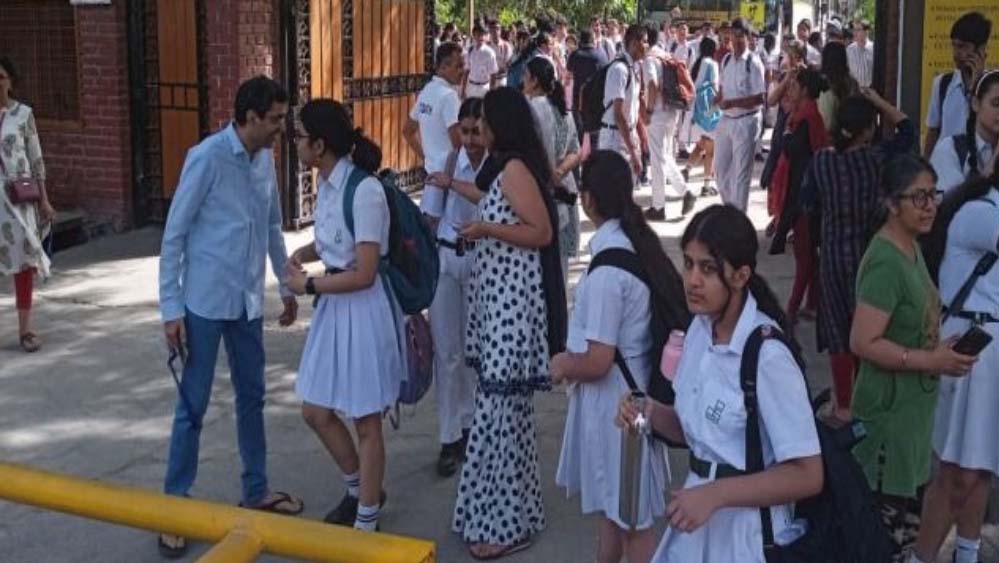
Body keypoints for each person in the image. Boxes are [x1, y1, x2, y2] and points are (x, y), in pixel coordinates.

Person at [618, 203, 823, 563]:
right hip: (694, 527)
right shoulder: (699, 331)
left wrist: (716, 494)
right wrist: (648, 411)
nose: (692, 280)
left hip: (747, 538)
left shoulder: (767, 356)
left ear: (741, 276)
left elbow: (807, 475)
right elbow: (699, 433)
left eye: (708, 269)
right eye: (688, 264)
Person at [157, 76, 302, 559]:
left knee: (253, 397)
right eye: (275, 119)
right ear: (251, 117)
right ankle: (173, 508)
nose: (281, 127)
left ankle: (256, 490)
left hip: (246, 303)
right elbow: (174, 235)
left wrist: (284, 284)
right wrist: (171, 309)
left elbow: (272, 227)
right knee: (193, 406)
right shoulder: (207, 158)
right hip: (203, 303)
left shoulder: (265, 161)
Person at [552, 150, 687, 563]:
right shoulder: (630, 245)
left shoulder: (607, 273)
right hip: (628, 405)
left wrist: (563, 365)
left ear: (589, 199)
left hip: (620, 415)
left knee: (631, 523)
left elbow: (597, 360)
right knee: (615, 514)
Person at [452, 86, 567, 560]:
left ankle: (505, 525)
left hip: (512, 309)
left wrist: (485, 229)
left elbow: (541, 232)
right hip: (499, 306)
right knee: (504, 416)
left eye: (483, 122)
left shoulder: (516, 168)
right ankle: (504, 515)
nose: (478, 130)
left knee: (501, 416)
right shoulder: (506, 167)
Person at [849, 154, 978, 560]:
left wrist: (939, 349)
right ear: (892, 203)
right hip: (887, 425)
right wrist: (929, 361)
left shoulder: (911, 248)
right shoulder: (885, 261)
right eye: (918, 197)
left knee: (902, 539)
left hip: (911, 422)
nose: (929, 206)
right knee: (883, 542)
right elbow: (863, 342)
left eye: (933, 195)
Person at [282, 99, 399, 532]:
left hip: (362, 312)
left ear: (319, 144)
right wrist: (303, 253)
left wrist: (309, 286)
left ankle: (366, 518)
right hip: (334, 309)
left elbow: (364, 273)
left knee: (366, 420)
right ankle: (360, 490)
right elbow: (333, 241)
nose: (294, 144)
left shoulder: (364, 191)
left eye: (299, 136)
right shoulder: (328, 184)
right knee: (315, 410)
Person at [911, 145, 999, 563]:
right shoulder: (983, 213)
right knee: (956, 472)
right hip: (972, 352)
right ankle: (923, 557)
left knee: (980, 468)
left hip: (985, 352)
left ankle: (967, 552)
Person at [808, 90, 918, 425]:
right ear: (868, 130)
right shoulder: (876, 159)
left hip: (832, 256)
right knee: (868, 330)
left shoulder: (821, 162)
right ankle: (869, 402)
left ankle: (844, 406)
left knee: (838, 330)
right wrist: (879, 101)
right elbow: (908, 130)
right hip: (868, 255)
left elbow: (808, 204)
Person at [419, 98, 489, 478]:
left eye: (478, 131)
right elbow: (429, 219)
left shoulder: (497, 168)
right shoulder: (446, 163)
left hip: (482, 262)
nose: (472, 140)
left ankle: (475, 426)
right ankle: (450, 436)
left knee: (476, 350)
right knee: (447, 352)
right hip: (447, 260)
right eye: (466, 131)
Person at [767, 68, 830, 326]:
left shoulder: (808, 118)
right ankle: (811, 304)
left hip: (803, 197)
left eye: (794, 86)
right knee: (808, 255)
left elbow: (803, 157)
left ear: (804, 90)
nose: (789, 90)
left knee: (804, 256)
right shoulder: (802, 115)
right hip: (799, 194)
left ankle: (792, 309)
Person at [0, 56, 53, 353]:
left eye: (1, 77)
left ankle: (25, 329)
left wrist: (44, 200)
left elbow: (36, 159)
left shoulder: (23, 115)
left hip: (18, 199)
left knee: (24, 262)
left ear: (10, 80)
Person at [524, 57, 581, 279]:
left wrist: (551, 174)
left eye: (526, 76)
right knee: (560, 270)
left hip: (542, 192)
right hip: (563, 187)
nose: (523, 81)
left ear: (534, 80)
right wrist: (559, 172)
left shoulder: (532, 109)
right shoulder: (563, 110)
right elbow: (575, 151)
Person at [405, 42, 463, 226]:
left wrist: (427, 157)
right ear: (443, 67)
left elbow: (407, 131)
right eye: (458, 66)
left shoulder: (427, 91)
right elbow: (458, 143)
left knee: (430, 228)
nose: (462, 71)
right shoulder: (449, 97)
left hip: (432, 173)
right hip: (449, 177)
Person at [713, 18, 766, 211]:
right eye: (733, 35)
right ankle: (731, 212)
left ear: (748, 37)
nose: (735, 40)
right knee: (720, 172)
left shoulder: (754, 63)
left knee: (741, 176)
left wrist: (733, 103)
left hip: (747, 121)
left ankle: (738, 219)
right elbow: (722, 90)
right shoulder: (726, 60)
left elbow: (760, 98)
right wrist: (716, 100)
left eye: (740, 36)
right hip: (726, 120)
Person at [642, 26, 693, 221]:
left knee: (657, 160)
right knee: (664, 155)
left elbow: (652, 84)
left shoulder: (649, 59)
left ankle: (658, 207)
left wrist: (648, 111)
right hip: (671, 110)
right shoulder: (665, 55)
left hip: (657, 113)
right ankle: (685, 192)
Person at [924, 11, 992, 158]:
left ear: (980, 49)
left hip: (981, 165)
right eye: (954, 46)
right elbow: (933, 131)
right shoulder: (942, 83)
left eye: (962, 47)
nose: (956, 53)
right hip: (946, 165)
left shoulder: (992, 86)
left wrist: (977, 83)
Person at [930, 70, 999, 194]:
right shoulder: (950, 148)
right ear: (975, 103)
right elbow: (951, 201)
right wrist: (994, 159)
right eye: (996, 104)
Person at [599, 25, 648, 180]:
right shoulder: (619, 69)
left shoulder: (633, 68)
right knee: (615, 188)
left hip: (627, 135)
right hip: (614, 138)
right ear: (634, 43)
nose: (647, 46)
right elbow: (618, 114)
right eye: (644, 41)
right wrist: (632, 151)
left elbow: (632, 108)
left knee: (627, 187)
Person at [684, 36, 721, 197]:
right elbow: (715, 88)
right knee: (711, 149)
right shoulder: (712, 64)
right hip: (710, 109)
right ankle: (706, 185)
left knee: (701, 144)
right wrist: (716, 110)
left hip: (697, 109)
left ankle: (686, 170)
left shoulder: (697, 63)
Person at [567, 29, 609, 144]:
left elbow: (568, 75)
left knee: (579, 137)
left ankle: (581, 154)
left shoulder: (574, 55)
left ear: (580, 40)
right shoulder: (601, 55)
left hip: (579, 102)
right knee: (596, 138)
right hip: (597, 102)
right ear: (593, 40)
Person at [817, 42, 860, 137]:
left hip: (830, 137)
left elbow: (826, 124)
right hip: (850, 134)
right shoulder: (852, 83)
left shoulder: (823, 84)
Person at [464, 24, 498, 99]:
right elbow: (466, 70)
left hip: (484, 87)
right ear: (474, 35)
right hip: (471, 86)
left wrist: (492, 92)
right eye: (478, 34)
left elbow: (493, 74)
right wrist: (463, 89)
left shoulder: (489, 52)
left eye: (483, 34)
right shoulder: (470, 50)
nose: (481, 37)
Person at [846, 19, 874, 88]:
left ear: (866, 32)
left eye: (858, 30)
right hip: (854, 90)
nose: (854, 33)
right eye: (854, 30)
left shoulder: (874, 49)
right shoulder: (849, 50)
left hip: (870, 90)